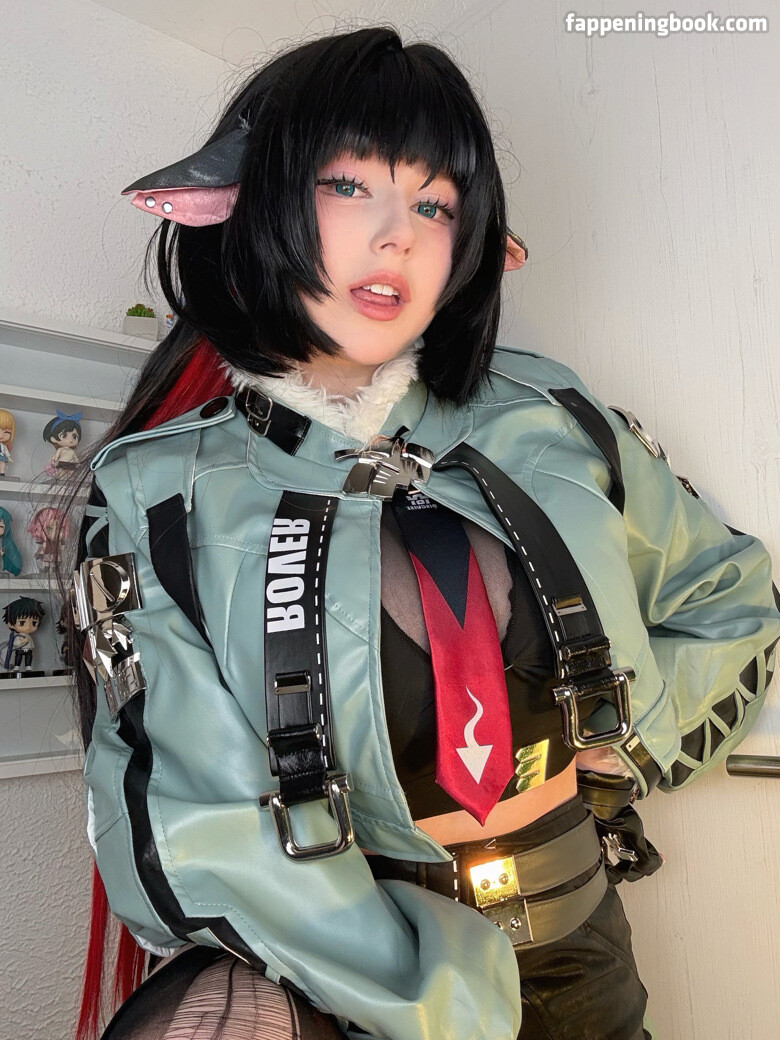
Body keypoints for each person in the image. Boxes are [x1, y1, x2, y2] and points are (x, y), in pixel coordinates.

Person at [66, 27, 780, 1040]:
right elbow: (199, 825)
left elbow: (728, 596)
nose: (396, 234)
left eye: (434, 203)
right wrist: (434, 1005)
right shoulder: (154, 494)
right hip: (364, 992)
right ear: (250, 202)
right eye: (349, 185)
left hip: (589, 946)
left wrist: (633, 744)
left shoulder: (554, 417)